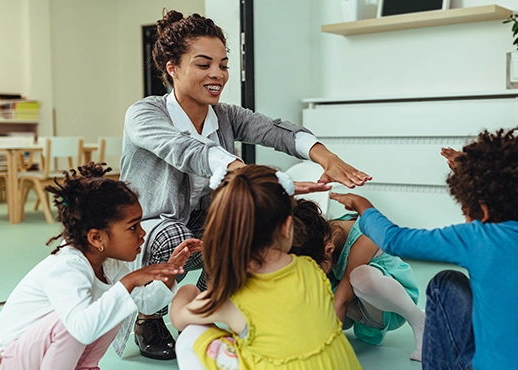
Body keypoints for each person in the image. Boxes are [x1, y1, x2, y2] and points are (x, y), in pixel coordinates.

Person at [120, 10, 371, 359]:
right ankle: (149, 317)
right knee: (173, 236)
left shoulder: (224, 114)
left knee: (239, 223)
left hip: (201, 220)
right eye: (204, 64)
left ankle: (215, 303)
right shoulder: (144, 114)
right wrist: (245, 173)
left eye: (222, 65)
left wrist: (322, 155)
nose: (217, 75)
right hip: (152, 228)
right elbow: (184, 149)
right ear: (172, 67)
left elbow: (271, 129)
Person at [330, 128, 518, 370]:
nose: (466, 217)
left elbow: (396, 240)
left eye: (466, 210)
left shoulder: (479, 239)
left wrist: (364, 207)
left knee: (445, 283)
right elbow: (508, 188)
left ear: (483, 211)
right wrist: (472, 171)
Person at [0, 163, 201, 370]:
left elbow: (145, 304)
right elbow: (80, 330)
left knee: (118, 304)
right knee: (83, 317)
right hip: (11, 359)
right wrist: (128, 282)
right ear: (96, 237)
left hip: (44, 357)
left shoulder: (110, 263)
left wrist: (171, 271)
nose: (142, 233)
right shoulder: (67, 267)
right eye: (132, 227)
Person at [169, 165, 362, 370]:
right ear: (288, 226)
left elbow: (179, 318)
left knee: (189, 338)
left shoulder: (230, 292)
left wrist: (186, 290)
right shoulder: (310, 268)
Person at [290, 199, 425, 361]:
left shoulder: (365, 236)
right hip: (358, 312)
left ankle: (419, 320)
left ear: (329, 249)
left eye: (314, 267)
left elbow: (342, 300)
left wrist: (327, 353)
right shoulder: (319, 235)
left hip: (391, 307)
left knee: (360, 276)